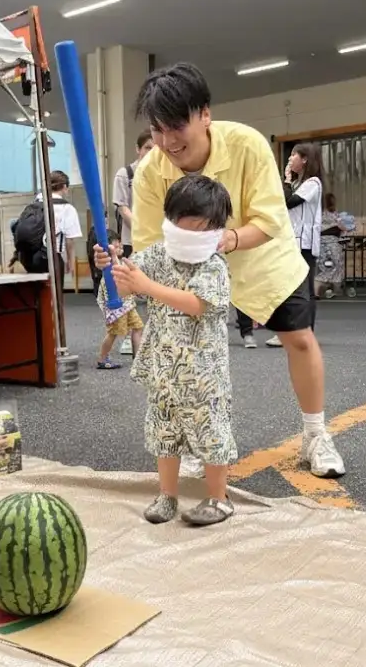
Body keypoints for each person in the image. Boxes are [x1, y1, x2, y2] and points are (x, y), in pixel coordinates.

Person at [107, 61, 345, 479]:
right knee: (191, 360)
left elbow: (271, 219)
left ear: (204, 115)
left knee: (300, 340)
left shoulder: (247, 144)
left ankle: (315, 434)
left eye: (175, 127)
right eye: (157, 130)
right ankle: (197, 441)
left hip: (262, 260)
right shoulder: (150, 172)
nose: (165, 141)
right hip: (189, 273)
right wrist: (124, 267)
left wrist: (225, 240)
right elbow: (148, 245)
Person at [104, 175, 237, 526]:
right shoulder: (158, 255)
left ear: (214, 227)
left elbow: (198, 304)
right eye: (182, 222)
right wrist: (110, 267)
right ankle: (167, 496)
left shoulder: (213, 263)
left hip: (203, 371)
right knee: (164, 434)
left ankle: (219, 498)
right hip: (163, 368)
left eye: (199, 225)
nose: (188, 230)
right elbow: (122, 288)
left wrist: (147, 286)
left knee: (210, 431)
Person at [266, 143, 324, 347]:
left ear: (305, 159)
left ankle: (304, 333)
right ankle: (293, 332)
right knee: (290, 287)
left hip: (305, 244)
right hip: (292, 242)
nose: (290, 160)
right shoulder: (300, 183)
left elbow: (289, 202)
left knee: (303, 290)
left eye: (293, 156)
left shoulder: (313, 183)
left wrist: (287, 180)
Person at [112, 130, 155, 355]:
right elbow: (122, 205)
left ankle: (154, 335)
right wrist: (140, 226)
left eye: (156, 147)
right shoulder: (126, 173)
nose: (152, 151)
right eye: (148, 147)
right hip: (132, 239)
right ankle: (130, 336)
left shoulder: (163, 170)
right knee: (130, 290)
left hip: (159, 240)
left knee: (156, 289)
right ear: (138, 149)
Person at [95, 231, 144, 369]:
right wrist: (113, 254)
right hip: (117, 306)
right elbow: (118, 271)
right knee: (113, 333)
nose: (120, 247)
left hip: (127, 304)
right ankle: (102, 358)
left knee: (138, 327)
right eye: (116, 246)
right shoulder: (107, 263)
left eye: (119, 245)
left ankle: (138, 359)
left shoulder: (117, 259)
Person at [315, 193, 347, 298]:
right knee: (336, 265)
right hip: (332, 242)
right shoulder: (333, 214)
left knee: (324, 265)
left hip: (320, 243)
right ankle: (328, 286)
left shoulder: (317, 213)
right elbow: (341, 226)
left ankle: (318, 289)